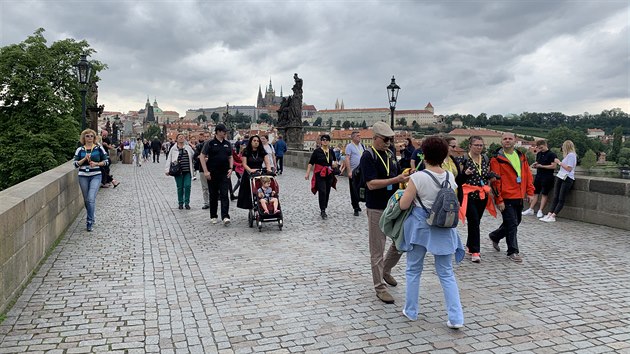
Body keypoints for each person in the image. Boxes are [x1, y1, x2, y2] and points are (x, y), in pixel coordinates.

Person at [398, 136, 465, 328]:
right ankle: (456, 318)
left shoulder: (418, 177)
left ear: (424, 155)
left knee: (413, 270)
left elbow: (403, 205)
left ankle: (411, 311)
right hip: (442, 227)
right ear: (444, 155)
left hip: (420, 227)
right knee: (446, 273)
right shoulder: (449, 177)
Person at [360, 122, 408, 304]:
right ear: (375, 138)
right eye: (385, 139)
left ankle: (385, 270)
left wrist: (404, 177)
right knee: (377, 248)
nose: (388, 143)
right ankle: (380, 287)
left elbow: (395, 177)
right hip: (376, 206)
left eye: (390, 140)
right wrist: (396, 178)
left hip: (393, 204)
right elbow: (371, 184)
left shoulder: (390, 154)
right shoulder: (368, 156)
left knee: (399, 241)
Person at [489, 132, 535, 263]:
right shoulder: (496, 159)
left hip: (519, 195)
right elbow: (495, 181)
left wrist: (530, 192)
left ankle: (495, 235)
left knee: (515, 222)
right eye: (505, 139)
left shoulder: (521, 156)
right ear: (501, 141)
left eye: (510, 139)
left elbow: (527, 174)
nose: (507, 141)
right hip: (506, 196)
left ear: (515, 140)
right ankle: (513, 251)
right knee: (512, 224)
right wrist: (499, 200)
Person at [459, 136, 496, 263]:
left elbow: (484, 174)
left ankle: (470, 245)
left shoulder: (485, 159)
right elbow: (458, 179)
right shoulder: (464, 160)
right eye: (476, 145)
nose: (479, 147)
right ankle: (475, 251)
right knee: (474, 221)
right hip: (468, 195)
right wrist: (465, 174)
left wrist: (490, 176)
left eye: (481, 145)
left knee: (476, 222)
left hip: (482, 195)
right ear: (470, 146)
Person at [73, 129, 110, 232]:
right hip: (83, 176)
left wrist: (97, 164)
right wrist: (84, 159)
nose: (89, 138)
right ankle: (92, 213)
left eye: (91, 136)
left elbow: (107, 161)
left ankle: (89, 222)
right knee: (86, 200)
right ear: (83, 138)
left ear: (94, 138)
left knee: (90, 198)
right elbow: (75, 164)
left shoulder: (99, 148)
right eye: (87, 136)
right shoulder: (80, 149)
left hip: (96, 175)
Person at [200, 124, 234, 226]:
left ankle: (225, 216)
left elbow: (230, 156)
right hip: (212, 173)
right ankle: (213, 216)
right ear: (218, 132)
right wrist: (205, 171)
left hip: (224, 173)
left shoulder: (227, 143)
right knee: (213, 195)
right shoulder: (209, 143)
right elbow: (202, 157)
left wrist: (231, 168)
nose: (225, 133)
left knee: (224, 195)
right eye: (223, 131)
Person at [541, 140, 577, 223]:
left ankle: (553, 216)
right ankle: (549, 214)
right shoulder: (568, 155)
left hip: (567, 178)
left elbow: (569, 168)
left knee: (561, 198)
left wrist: (559, 162)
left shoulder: (571, 155)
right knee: (556, 197)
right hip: (561, 176)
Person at [305, 134, 338, 219]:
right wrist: (307, 173)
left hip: (329, 174)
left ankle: (324, 207)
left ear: (329, 141)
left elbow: (334, 161)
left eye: (326, 140)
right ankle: (322, 210)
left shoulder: (331, 151)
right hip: (320, 174)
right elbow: (311, 162)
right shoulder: (317, 151)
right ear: (321, 141)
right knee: (322, 191)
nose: (325, 141)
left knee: (327, 191)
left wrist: (335, 164)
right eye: (323, 139)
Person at [523, 140, 557, 218]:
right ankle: (531, 209)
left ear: (545, 145)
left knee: (544, 194)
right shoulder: (539, 154)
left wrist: (541, 166)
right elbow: (538, 162)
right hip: (539, 175)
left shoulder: (552, 154)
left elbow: (554, 166)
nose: (540, 149)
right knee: (535, 192)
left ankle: (540, 210)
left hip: (547, 176)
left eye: (541, 147)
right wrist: (535, 164)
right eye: (539, 148)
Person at [237, 135, 272, 211]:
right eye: (254, 141)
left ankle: (262, 205)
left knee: (261, 188)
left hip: (259, 173)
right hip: (249, 173)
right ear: (251, 142)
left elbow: (267, 162)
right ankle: (250, 207)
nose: (256, 142)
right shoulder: (246, 151)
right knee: (249, 192)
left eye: (258, 141)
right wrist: (250, 170)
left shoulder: (262, 151)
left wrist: (269, 169)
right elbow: (244, 164)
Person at [165, 133, 195, 209]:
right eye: (179, 137)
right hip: (178, 171)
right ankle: (180, 203)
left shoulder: (188, 148)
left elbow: (194, 156)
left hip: (187, 171)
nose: (181, 138)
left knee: (187, 186)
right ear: (177, 139)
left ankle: (187, 202)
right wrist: (167, 169)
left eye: (182, 137)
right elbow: (169, 159)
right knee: (180, 187)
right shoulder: (173, 149)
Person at [344, 131, 366, 216]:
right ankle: (355, 207)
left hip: (362, 171)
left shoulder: (362, 146)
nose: (359, 137)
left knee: (361, 188)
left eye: (360, 135)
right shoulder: (349, 146)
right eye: (357, 136)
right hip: (354, 171)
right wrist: (349, 171)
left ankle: (359, 203)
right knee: (353, 189)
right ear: (353, 137)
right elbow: (347, 159)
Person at [194, 132, 210, 209]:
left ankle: (212, 201)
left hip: (212, 169)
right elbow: (195, 156)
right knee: (205, 187)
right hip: (202, 169)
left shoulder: (213, 145)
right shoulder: (200, 146)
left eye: (208, 136)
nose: (206, 138)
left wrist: (209, 159)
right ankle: (206, 202)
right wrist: (201, 158)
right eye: (205, 137)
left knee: (212, 186)